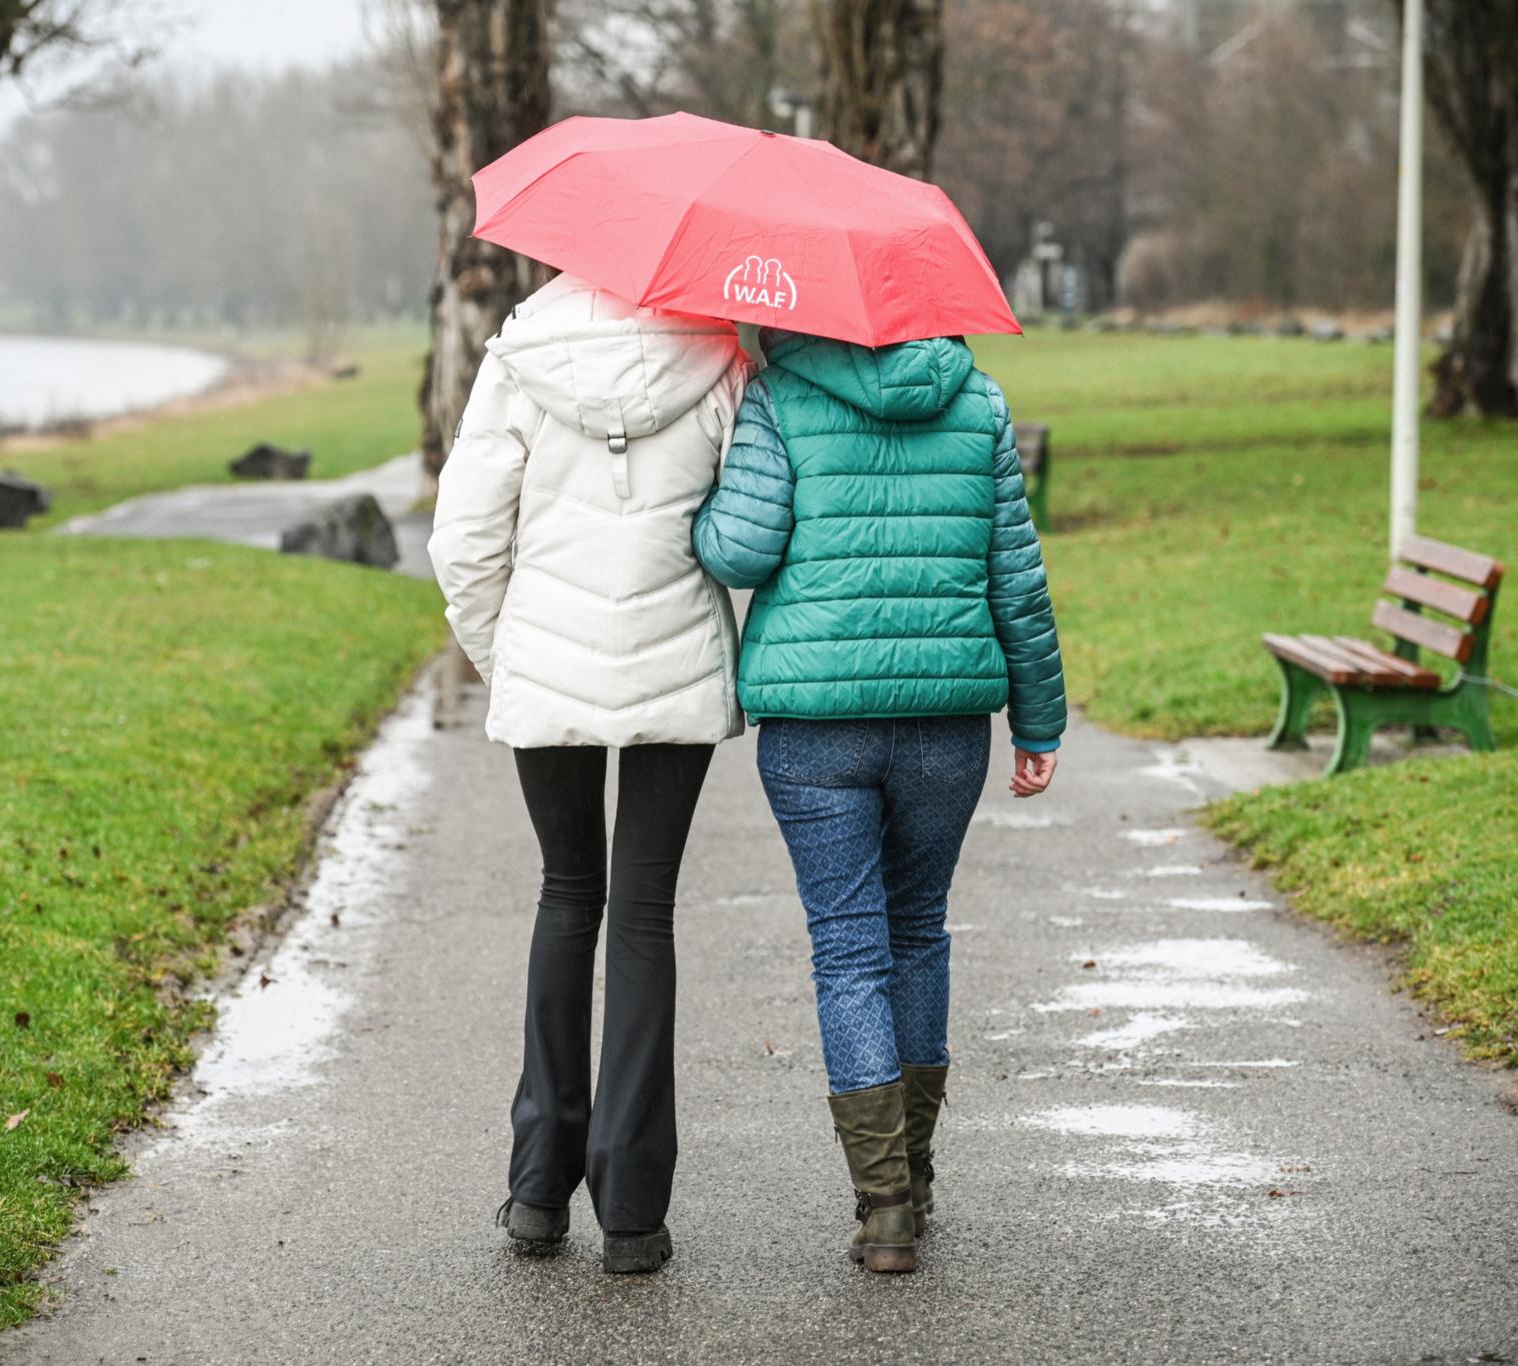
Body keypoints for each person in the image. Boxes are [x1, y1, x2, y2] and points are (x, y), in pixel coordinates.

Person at [691, 327, 1065, 1274]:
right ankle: (917, 1171)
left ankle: (886, 1204)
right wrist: (1039, 720)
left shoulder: (782, 395)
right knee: (918, 930)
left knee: (849, 948)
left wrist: (701, 513)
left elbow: (738, 552)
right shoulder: (977, 401)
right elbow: (1016, 579)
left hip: (817, 724)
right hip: (948, 722)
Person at [428, 272, 749, 1274]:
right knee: (643, 911)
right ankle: (633, 1212)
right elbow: (747, 531)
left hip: (547, 665)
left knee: (567, 895)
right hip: (675, 666)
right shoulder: (720, 356)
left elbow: (463, 541)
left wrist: (509, 659)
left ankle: (537, 1189)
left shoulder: (519, 353)